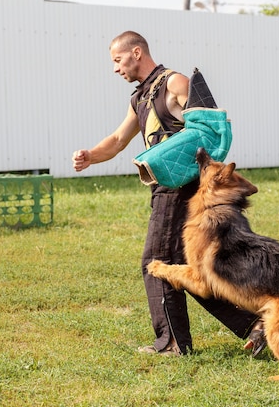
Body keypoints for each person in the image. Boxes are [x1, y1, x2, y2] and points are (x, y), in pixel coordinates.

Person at [72, 30, 265, 356]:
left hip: (181, 188)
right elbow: (119, 140)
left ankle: (173, 344)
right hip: (164, 189)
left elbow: (208, 131)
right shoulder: (140, 98)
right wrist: (91, 155)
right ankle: (255, 324)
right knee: (181, 267)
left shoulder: (174, 83)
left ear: (136, 53)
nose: (115, 69)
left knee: (156, 261)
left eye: (117, 60)